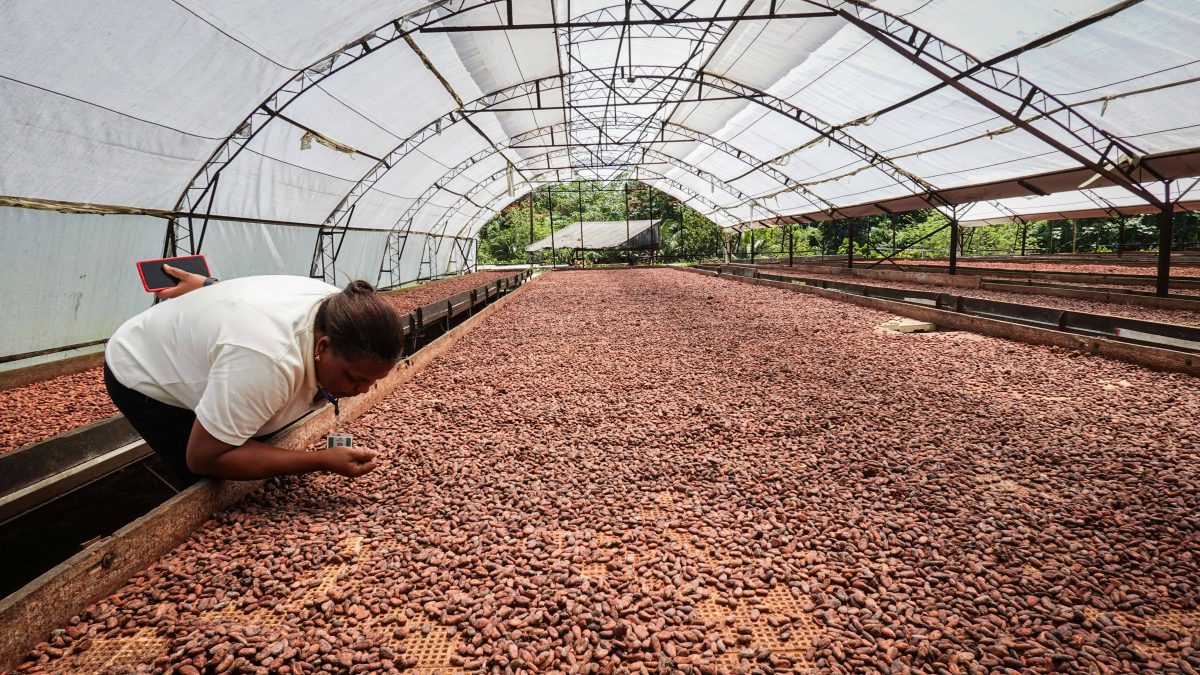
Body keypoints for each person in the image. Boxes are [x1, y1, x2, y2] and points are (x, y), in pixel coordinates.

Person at [103, 265, 404, 484]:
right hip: (143, 368)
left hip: (231, 353)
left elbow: (257, 292)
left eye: (372, 381)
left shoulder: (342, 308)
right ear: (322, 347)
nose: (362, 391)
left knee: (250, 429)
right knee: (210, 478)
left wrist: (210, 285)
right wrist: (319, 460)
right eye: (354, 378)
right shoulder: (267, 360)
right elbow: (204, 457)